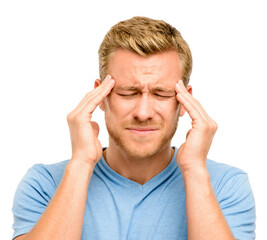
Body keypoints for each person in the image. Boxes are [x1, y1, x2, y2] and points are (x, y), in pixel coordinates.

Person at [12, 16, 256, 240]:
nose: (143, 113)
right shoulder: (44, 184)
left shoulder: (226, 185)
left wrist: (194, 170)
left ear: (184, 101)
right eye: (128, 93)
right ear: (101, 97)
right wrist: (81, 164)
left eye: (161, 93)